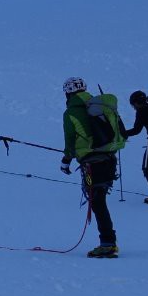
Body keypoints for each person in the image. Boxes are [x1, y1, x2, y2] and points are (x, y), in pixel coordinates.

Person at [60, 77, 127, 258]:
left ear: (68, 93)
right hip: (109, 158)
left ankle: (107, 243)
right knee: (99, 201)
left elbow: (70, 142)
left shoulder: (72, 113)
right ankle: (108, 242)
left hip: (92, 163)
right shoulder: (99, 106)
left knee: (97, 202)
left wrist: (66, 160)